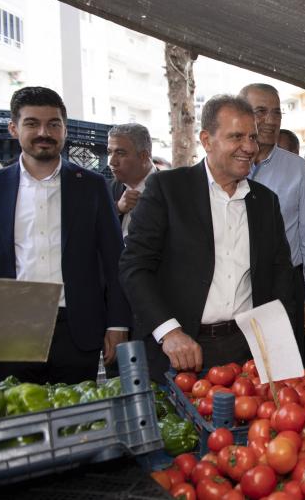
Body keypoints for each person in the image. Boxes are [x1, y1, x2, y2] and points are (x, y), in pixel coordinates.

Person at [119, 94, 294, 381]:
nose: (249, 147)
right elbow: (134, 267)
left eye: (252, 137)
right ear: (206, 140)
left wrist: (277, 346)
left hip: (248, 350)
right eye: (236, 136)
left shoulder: (265, 201)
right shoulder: (168, 189)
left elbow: (280, 274)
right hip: (180, 349)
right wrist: (169, 332)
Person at [0, 87, 131, 383]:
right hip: (14, 320)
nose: (44, 132)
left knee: (78, 420)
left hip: (77, 324)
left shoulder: (92, 186)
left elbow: (114, 259)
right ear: (14, 129)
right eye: (32, 123)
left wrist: (117, 323)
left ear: (64, 130)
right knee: (18, 418)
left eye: (54, 124)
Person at [239, 83, 305, 367]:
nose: (272, 120)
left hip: (284, 288)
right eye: (261, 111)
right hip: (233, 287)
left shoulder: (297, 169)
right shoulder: (227, 165)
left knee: (280, 372)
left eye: (277, 113)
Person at [107, 123, 156, 238]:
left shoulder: (169, 191)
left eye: (120, 153)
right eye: (109, 152)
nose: (112, 162)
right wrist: (117, 208)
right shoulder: (106, 189)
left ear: (143, 156)